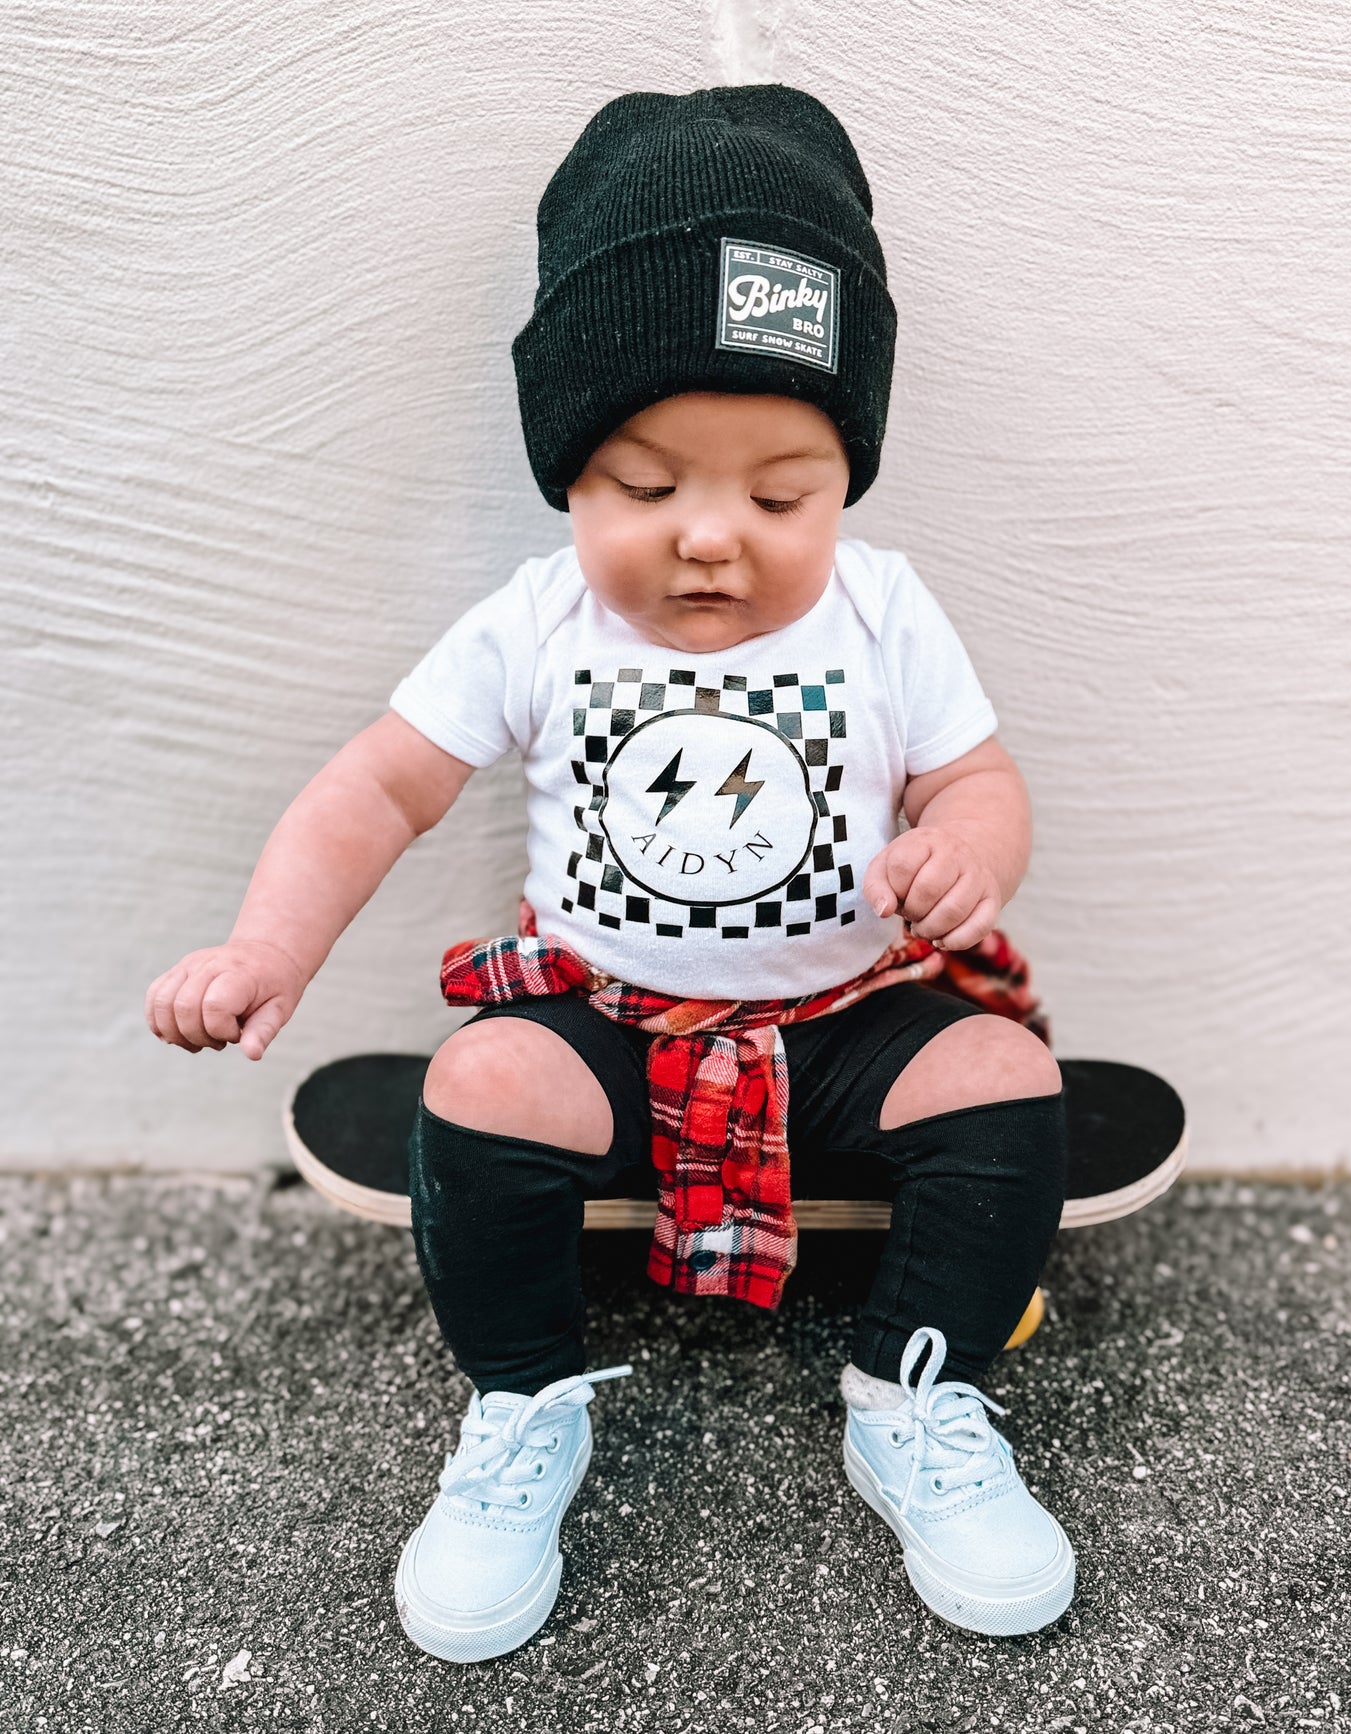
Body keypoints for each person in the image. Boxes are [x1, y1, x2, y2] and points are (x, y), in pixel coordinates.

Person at [145, 84, 1075, 1660]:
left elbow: (975, 776)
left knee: (997, 1071)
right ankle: (520, 1407)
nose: (712, 537)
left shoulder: (882, 613)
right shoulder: (535, 627)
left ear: (841, 477)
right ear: (568, 471)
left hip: (844, 1015)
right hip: (616, 1027)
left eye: (779, 491)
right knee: (485, 1081)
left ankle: (913, 1389)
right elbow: (376, 786)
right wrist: (265, 947)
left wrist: (963, 851)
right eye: (647, 486)